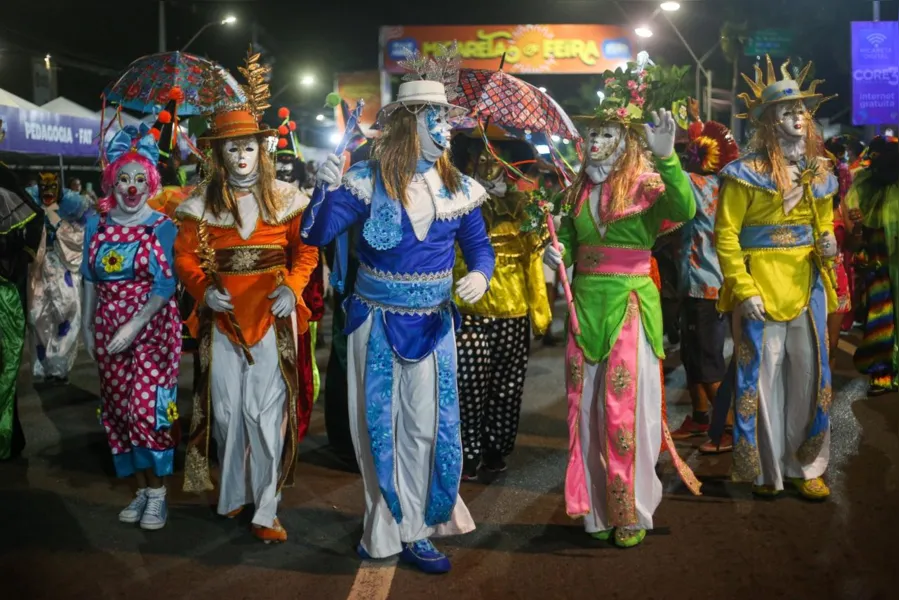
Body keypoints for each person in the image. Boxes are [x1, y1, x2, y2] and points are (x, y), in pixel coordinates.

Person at [301, 44, 495, 573]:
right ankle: (383, 530)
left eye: (448, 124)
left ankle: (417, 529)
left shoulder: (459, 187)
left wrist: (479, 274)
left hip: (434, 325)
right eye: (438, 121)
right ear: (412, 126)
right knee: (375, 431)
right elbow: (315, 233)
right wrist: (321, 188)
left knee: (426, 429)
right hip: (376, 323)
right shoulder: (364, 182)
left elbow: (479, 247)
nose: (447, 133)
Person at [543, 61, 700, 548]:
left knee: (623, 411)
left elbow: (684, 210)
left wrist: (669, 159)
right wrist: (557, 252)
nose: (595, 144)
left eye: (607, 134)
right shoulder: (576, 190)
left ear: (627, 140)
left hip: (630, 304)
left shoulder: (646, 185)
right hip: (585, 305)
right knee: (586, 411)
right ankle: (596, 511)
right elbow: (569, 239)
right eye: (592, 136)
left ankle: (629, 511)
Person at [174, 52, 319, 543]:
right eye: (231, 149)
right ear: (219, 154)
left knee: (267, 417)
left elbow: (306, 253)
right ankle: (233, 496)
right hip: (223, 321)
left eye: (248, 149)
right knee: (227, 413)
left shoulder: (288, 198)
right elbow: (186, 261)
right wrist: (202, 292)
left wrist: (291, 288)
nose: (240, 158)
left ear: (262, 151)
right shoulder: (199, 205)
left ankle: (267, 509)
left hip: (274, 320)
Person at [716, 56, 838, 501]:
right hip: (759, 286)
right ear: (769, 120)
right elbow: (725, 236)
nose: (797, 117)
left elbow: (824, 224)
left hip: (807, 286)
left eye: (802, 111)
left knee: (810, 376)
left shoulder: (821, 173)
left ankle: (807, 466)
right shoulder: (743, 174)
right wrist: (742, 287)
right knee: (761, 378)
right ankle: (769, 470)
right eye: (787, 111)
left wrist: (828, 244)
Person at [81, 125, 181, 529]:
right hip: (107, 329)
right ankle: (141, 489)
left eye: (141, 179)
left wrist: (135, 324)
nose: (132, 187)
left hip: (152, 330)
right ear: (112, 182)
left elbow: (166, 283)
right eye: (124, 178)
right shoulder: (97, 224)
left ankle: (158, 494)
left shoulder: (161, 225)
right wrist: (89, 327)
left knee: (146, 411)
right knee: (120, 411)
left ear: (152, 183)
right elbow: (88, 276)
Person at [453, 142, 550, 480]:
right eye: (482, 160)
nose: (489, 167)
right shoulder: (458, 200)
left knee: (507, 388)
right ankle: (467, 452)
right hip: (470, 308)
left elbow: (533, 261)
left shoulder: (524, 206)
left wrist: (540, 311)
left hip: (513, 309)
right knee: (468, 386)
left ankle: (496, 449)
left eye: (495, 162)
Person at [670, 112, 740, 453]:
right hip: (701, 285)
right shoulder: (720, 186)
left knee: (707, 360)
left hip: (705, 285)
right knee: (692, 356)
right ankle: (700, 417)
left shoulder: (698, 186)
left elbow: (670, 176)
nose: (685, 156)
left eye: (689, 151)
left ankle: (726, 428)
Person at [845, 135, 899, 395]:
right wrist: (858, 229)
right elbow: (857, 240)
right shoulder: (864, 187)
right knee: (880, 315)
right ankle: (882, 372)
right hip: (879, 264)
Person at [26, 172, 90, 383]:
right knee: (38, 315)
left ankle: (59, 365)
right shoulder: (32, 206)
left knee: (67, 311)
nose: (48, 192)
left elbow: (82, 234)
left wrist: (59, 225)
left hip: (63, 266)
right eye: (44, 187)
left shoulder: (73, 207)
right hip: (39, 267)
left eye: (52, 187)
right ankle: (46, 365)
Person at [0, 163, 44, 460]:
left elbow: (36, 214)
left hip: (3, 285)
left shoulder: (2, 173)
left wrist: (25, 254)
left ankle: (5, 436)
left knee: (4, 364)